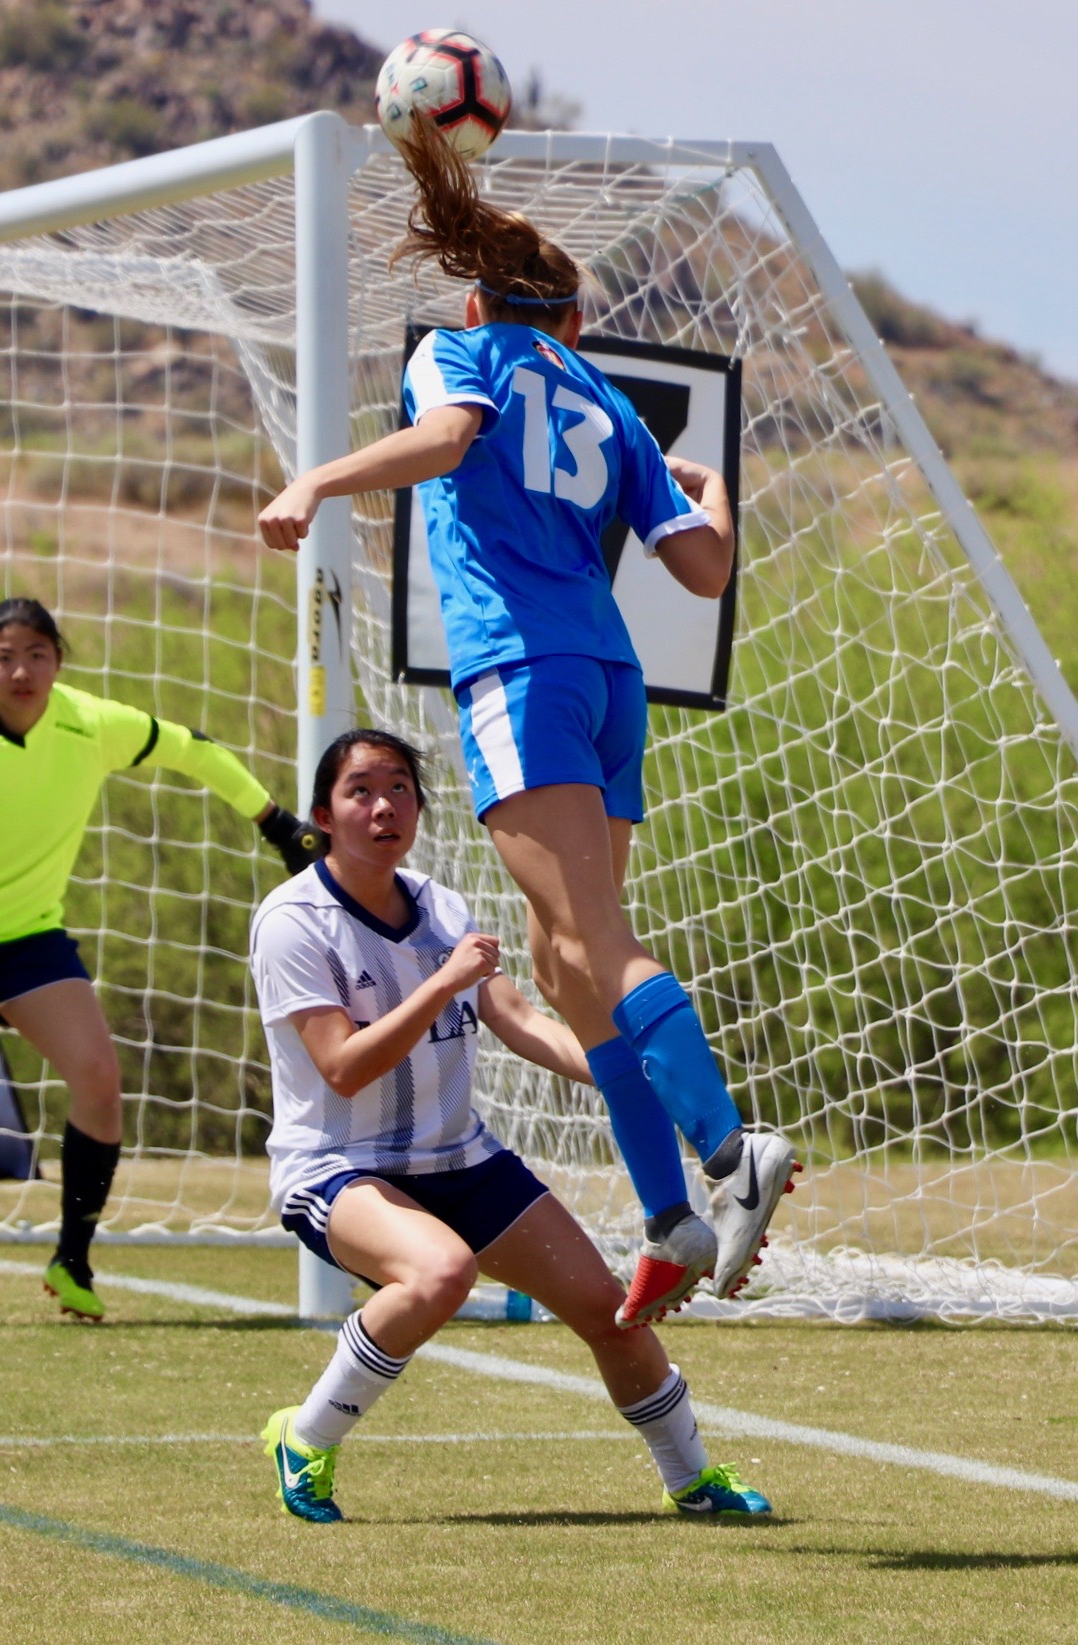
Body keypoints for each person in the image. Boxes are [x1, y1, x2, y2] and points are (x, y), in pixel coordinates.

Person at [257, 118, 797, 1329]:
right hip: (609, 681)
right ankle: (668, 1217)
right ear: (572, 318)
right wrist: (714, 492)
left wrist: (315, 480)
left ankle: (727, 1148)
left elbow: (444, 441)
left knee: (592, 942)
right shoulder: (607, 401)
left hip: (521, 671)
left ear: (476, 294)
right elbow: (704, 573)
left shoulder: (465, 355)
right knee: (566, 960)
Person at [250, 727, 771, 1523]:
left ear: (418, 809)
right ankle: (306, 1437)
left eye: (399, 788)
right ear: (323, 813)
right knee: (438, 1274)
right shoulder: (292, 920)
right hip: (337, 1165)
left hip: (459, 1157)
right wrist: (445, 979)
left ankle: (692, 1477)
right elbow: (344, 1066)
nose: (382, 804)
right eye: (360, 790)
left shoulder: (438, 905)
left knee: (609, 1309)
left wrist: (628, 1075)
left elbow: (516, 1015)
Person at [0, 596, 324, 1326]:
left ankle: (72, 1260)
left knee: (99, 1079)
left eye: (37, 654)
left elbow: (194, 747)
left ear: (57, 661)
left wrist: (276, 822)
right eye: (4, 657)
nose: (21, 670)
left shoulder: (92, 724)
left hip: (28, 936)